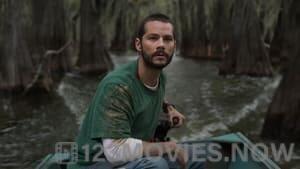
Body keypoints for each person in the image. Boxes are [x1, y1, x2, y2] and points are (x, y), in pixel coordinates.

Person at [68, 13, 205, 169]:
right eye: (153, 38)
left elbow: (151, 94)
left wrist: (169, 108)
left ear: (174, 45)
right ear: (138, 45)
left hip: (129, 157)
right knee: (156, 165)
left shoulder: (160, 77)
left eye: (167, 39)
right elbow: (115, 151)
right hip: (94, 162)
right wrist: (168, 147)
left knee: (195, 156)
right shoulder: (117, 86)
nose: (161, 44)